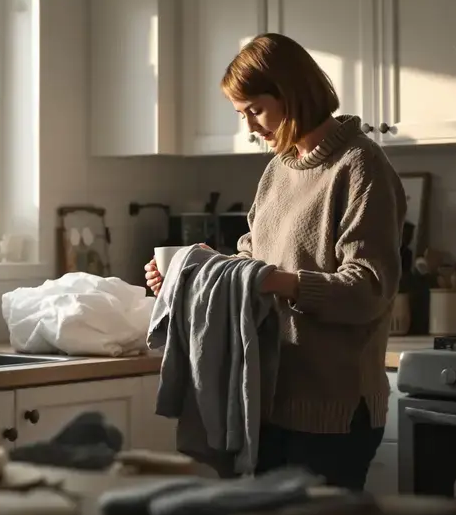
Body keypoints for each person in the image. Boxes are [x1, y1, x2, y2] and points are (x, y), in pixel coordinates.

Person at [144, 33, 406, 490]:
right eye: (241, 114)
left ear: (292, 92)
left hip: (334, 411)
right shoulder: (278, 169)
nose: (250, 126)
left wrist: (275, 282)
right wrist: (191, 277)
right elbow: (253, 258)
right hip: (267, 401)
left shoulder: (361, 165)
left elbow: (368, 290)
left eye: (256, 109)